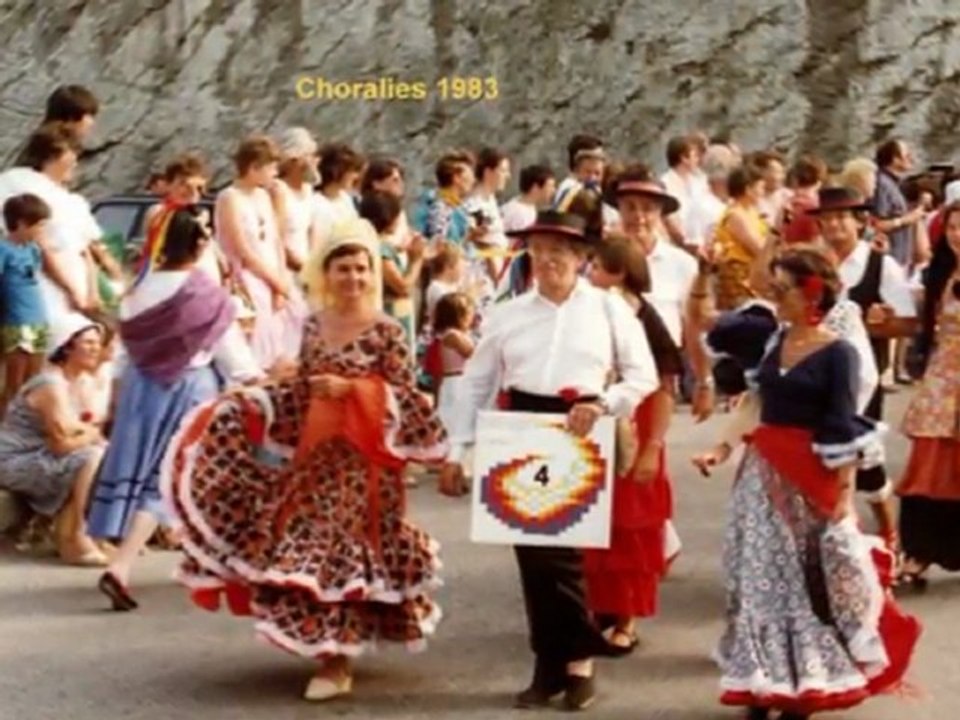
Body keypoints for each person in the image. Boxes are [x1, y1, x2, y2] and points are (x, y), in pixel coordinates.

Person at [162, 218, 448, 701]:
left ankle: (337, 662)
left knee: (342, 556)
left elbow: (407, 399)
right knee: (306, 550)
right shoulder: (313, 325)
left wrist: (354, 390)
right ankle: (331, 652)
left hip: (364, 468)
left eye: (361, 268)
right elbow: (305, 388)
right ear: (327, 271)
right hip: (314, 462)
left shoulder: (386, 331)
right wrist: (269, 390)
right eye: (344, 268)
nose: (353, 277)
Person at [691, 246, 920, 720]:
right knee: (757, 577)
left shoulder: (839, 354)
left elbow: (842, 423)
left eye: (783, 288)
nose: (774, 296)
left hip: (810, 474)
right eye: (773, 288)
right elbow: (713, 332)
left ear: (811, 292)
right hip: (761, 473)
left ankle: (803, 685)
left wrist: (841, 495)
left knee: (805, 581)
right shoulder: (771, 339)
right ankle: (761, 683)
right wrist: (705, 274)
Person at [448, 210, 659, 710]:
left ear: (583, 257)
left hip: (580, 425)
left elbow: (642, 374)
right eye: (539, 251)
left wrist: (604, 402)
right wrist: (458, 448)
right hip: (520, 426)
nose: (548, 261)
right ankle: (553, 661)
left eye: (559, 252)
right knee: (531, 553)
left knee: (566, 551)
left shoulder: (608, 309)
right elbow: (476, 381)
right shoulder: (509, 312)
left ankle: (575, 662)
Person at [89, 205, 262, 611]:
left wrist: (113, 400)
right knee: (169, 479)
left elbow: (124, 354)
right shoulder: (205, 294)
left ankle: (173, 557)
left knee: (145, 474)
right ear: (200, 243)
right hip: (190, 389)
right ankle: (124, 565)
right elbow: (232, 356)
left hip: (139, 390)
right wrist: (255, 380)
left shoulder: (138, 289)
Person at [583, 234, 682, 651]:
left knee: (629, 528)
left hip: (634, 427)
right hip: (594, 425)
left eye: (597, 266)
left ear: (619, 274)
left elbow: (663, 387)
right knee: (587, 523)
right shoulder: (587, 311)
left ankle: (626, 618)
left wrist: (652, 446)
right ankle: (591, 610)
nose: (588, 272)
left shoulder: (644, 317)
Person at [813, 186, 918, 554]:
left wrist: (874, 326)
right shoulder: (815, 265)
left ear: (859, 222)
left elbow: (907, 324)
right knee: (822, 457)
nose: (834, 226)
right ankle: (839, 540)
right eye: (827, 219)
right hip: (815, 376)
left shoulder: (879, 266)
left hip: (863, 378)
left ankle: (890, 534)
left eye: (842, 217)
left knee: (864, 459)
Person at [0, 314, 107, 565]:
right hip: (15, 461)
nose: (96, 349)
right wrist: (90, 433)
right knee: (92, 457)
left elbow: (74, 436)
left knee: (101, 454)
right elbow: (63, 441)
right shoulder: (50, 384)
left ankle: (77, 536)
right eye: (88, 343)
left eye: (97, 342)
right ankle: (76, 537)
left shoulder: (79, 382)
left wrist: (88, 434)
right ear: (67, 346)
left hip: (44, 455)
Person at [897, 201, 960, 586]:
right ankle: (918, 551)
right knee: (927, 463)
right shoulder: (939, 274)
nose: (957, 235)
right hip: (941, 378)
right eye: (952, 228)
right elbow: (921, 323)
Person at [215, 135, 304, 368]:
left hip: (273, 275)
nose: (275, 173)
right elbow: (242, 249)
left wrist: (281, 282)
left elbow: (275, 241)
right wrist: (274, 282)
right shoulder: (229, 198)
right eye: (271, 167)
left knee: (296, 321)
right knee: (259, 336)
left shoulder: (264, 196)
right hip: (247, 278)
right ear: (254, 167)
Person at [0, 194, 54, 408]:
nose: (42, 231)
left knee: (33, 381)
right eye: (39, 226)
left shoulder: (32, 249)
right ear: (22, 224)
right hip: (17, 322)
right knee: (14, 384)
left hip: (37, 320)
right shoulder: (4, 250)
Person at [359, 190, 425, 357]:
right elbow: (402, 286)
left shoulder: (382, 245)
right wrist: (416, 260)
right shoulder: (379, 248)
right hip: (391, 312)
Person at [269, 127, 322, 275]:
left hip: (307, 269)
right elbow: (276, 238)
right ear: (295, 160)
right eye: (311, 156)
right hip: (287, 271)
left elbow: (311, 232)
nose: (316, 161)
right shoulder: (279, 190)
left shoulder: (308, 189)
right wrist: (301, 267)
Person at [500, 164, 556, 232]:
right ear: (535, 188)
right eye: (550, 186)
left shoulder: (527, 207)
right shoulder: (518, 214)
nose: (554, 190)